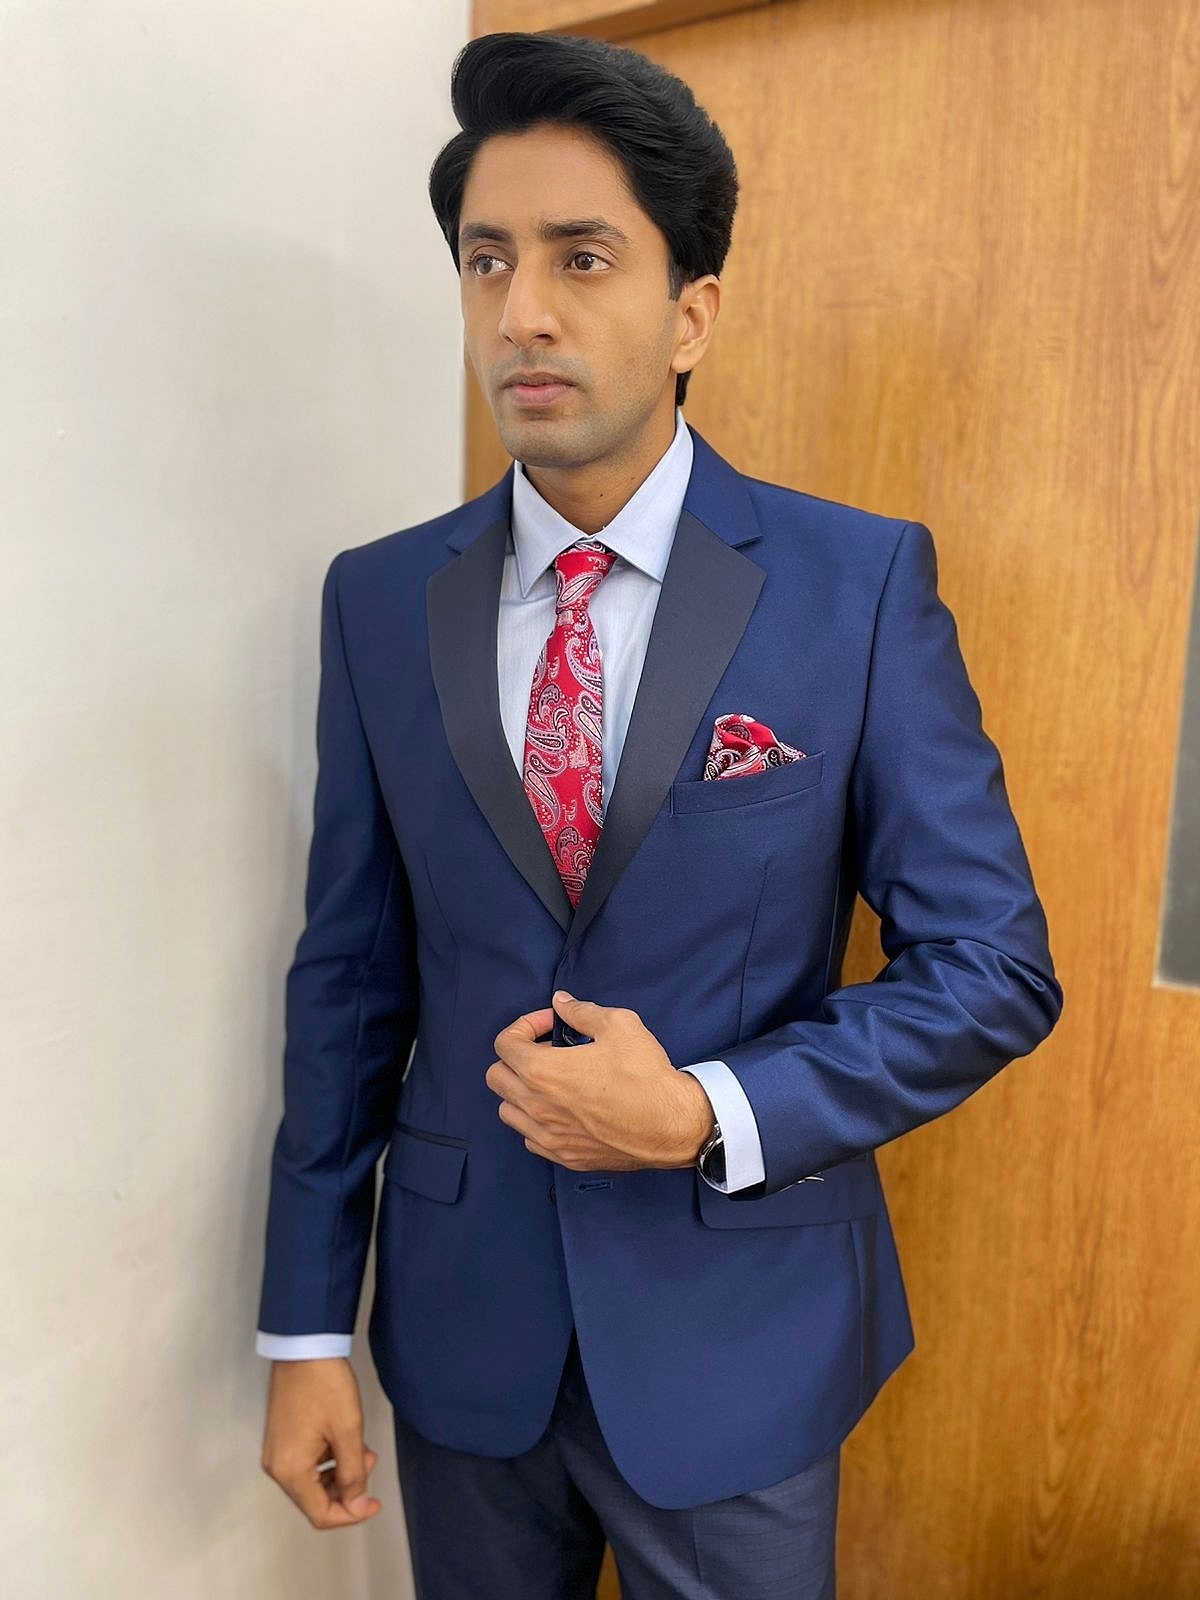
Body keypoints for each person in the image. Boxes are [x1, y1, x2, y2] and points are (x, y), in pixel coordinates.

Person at [256, 29, 1062, 1600]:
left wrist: (705, 1111)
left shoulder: (855, 587)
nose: (522, 312)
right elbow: (349, 980)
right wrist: (302, 1328)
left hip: (738, 1339)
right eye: (487, 260)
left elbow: (991, 969)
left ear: (693, 312)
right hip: (462, 1331)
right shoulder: (380, 601)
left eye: (582, 257)